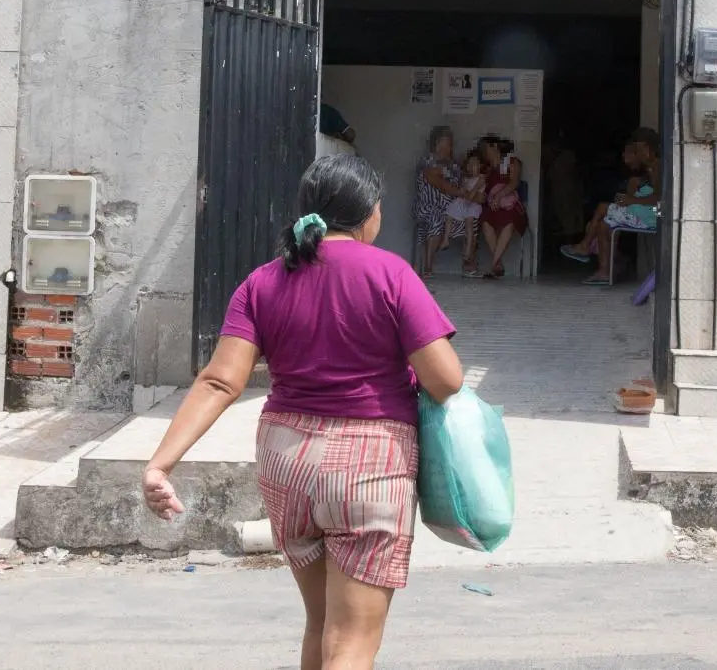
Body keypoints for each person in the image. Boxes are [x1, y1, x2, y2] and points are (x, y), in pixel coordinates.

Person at [141, 155, 465, 670]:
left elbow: (221, 380)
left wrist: (160, 464)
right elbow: (446, 379)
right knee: (353, 642)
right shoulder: (391, 273)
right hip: (368, 465)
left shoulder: (264, 281)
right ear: (368, 213)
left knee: (322, 625)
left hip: (286, 462)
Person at [583, 128, 662, 285]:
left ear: (647, 149)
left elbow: (658, 199)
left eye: (639, 150)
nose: (638, 154)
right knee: (604, 218)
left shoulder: (657, 167)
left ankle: (602, 267)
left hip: (651, 216)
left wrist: (631, 200)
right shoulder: (650, 168)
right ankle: (604, 263)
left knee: (604, 223)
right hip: (645, 212)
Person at [559, 137, 643, 264]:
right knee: (598, 221)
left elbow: (629, 201)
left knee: (602, 214)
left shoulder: (636, 177)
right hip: (636, 213)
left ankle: (586, 247)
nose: (623, 155)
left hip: (641, 215)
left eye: (627, 152)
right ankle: (605, 258)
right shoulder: (631, 174)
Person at [414, 125, 480, 277]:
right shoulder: (426, 161)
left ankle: (468, 262)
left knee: (471, 219)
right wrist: (459, 192)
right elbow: (438, 182)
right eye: (445, 143)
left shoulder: (454, 165)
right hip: (428, 207)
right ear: (436, 144)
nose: (448, 148)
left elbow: (466, 183)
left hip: (451, 208)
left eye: (449, 144)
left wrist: (474, 195)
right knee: (436, 219)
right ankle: (428, 266)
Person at [476, 134, 529, 279]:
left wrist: (499, 196)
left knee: (510, 221)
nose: (484, 153)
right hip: (493, 206)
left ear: (494, 147)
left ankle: (493, 265)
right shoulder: (487, 169)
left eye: (486, 148)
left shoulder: (512, 161)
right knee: (485, 220)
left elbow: (514, 183)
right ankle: (498, 263)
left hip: (510, 205)